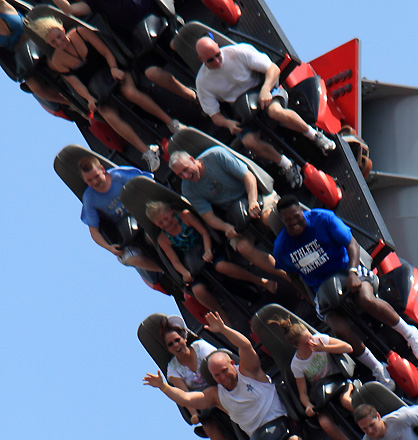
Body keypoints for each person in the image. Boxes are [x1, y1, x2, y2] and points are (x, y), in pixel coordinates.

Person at [143, 311, 331, 440]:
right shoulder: (216, 394)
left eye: (224, 371)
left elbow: (245, 347)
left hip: (281, 421)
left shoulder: (248, 370)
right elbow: (187, 399)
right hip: (260, 436)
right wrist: (164, 387)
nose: (223, 377)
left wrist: (223, 329)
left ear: (231, 364)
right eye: (217, 376)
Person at [273, 197, 418, 374]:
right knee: (340, 328)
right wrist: (310, 298)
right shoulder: (281, 248)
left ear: (302, 212)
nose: (294, 222)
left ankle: (409, 333)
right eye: (288, 220)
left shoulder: (323, 219)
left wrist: (353, 272)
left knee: (366, 299)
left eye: (296, 216)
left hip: (348, 272)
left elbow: (351, 244)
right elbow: (292, 275)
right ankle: (376, 367)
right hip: (322, 289)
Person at [27, 14, 176, 169]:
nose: (59, 42)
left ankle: (171, 122)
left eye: (59, 36)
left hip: (113, 71)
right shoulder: (58, 61)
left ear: (62, 29)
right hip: (99, 89)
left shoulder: (81, 33)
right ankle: (147, 151)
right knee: (108, 115)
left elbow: (106, 51)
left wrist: (114, 68)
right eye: (53, 42)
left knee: (130, 92)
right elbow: (77, 84)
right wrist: (89, 98)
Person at [194, 36, 334, 186]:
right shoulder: (203, 82)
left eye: (217, 55)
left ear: (218, 46)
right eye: (211, 60)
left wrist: (266, 89)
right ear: (201, 59)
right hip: (242, 109)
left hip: (263, 91)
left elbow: (272, 68)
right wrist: (228, 123)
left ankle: (314, 135)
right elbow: (214, 115)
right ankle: (286, 164)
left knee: (276, 112)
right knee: (249, 142)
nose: (217, 61)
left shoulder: (238, 52)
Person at [169, 147, 294, 291]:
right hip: (236, 215)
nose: (185, 176)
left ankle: (298, 247)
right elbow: (208, 216)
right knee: (243, 247)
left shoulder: (216, 156)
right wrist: (225, 227)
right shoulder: (188, 188)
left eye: (185, 170)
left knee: (268, 219)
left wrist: (252, 201)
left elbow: (248, 177)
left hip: (255, 196)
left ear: (192, 159)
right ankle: (288, 276)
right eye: (180, 175)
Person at [52, 0, 200, 108]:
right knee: (152, 73)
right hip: (140, 42)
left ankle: (210, 71)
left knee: (178, 45)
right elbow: (70, 9)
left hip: (162, 22)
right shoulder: (95, 2)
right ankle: (193, 96)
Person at [265, 315, 362, 440]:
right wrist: (308, 405)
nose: (311, 343)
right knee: (325, 423)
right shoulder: (296, 365)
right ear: (296, 346)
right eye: (306, 343)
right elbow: (303, 393)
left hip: (339, 381)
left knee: (346, 401)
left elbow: (347, 347)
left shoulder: (320, 340)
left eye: (310, 338)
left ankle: (370, 422)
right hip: (323, 393)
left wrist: (325, 348)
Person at [145, 202, 238, 319]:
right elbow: (175, 261)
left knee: (222, 266)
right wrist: (185, 273)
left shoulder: (185, 216)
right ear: (156, 224)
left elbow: (204, 233)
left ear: (170, 212)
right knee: (198, 291)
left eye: (166, 218)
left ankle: (258, 281)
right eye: (160, 223)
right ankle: (223, 316)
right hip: (194, 262)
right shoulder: (163, 239)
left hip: (208, 248)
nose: (166, 223)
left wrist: (208, 250)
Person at [76, 155, 162, 275]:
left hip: (144, 215)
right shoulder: (89, 198)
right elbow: (94, 231)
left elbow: (146, 183)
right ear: (84, 180)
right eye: (90, 180)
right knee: (130, 258)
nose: (95, 182)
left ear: (102, 169)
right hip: (126, 230)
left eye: (96, 176)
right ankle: (164, 271)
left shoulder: (118, 176)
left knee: (153, 237)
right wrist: (109, 247)